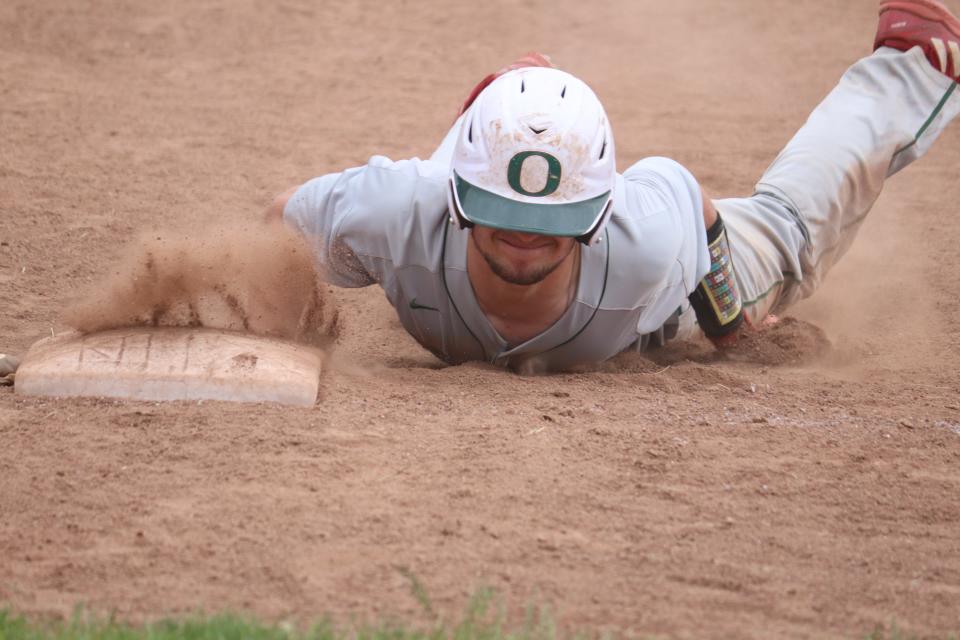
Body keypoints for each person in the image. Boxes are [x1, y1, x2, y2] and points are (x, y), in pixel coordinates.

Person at [266, 0, 960, 373]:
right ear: (457, 197)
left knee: (787, 235)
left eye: (549, 220)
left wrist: (732, 326)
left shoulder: (649, 242)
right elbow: (278, 227)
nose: (525, 235)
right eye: (501, 210)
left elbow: (689, 196)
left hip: (668, 313)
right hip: (453, 198)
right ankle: (510, 102)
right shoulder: (391, 208)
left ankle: (911, 62)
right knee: (460, 176)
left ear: (597, 215)